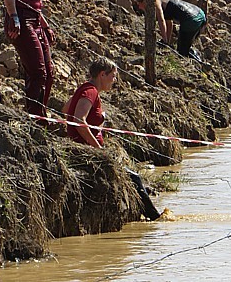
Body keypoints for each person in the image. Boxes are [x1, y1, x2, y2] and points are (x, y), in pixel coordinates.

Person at [62, 57, 161, 221]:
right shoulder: (91, 91)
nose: (114, 81)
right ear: (102, 75)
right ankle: (156, 219)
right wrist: (97, 147)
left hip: (83, 147)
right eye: (113, 76)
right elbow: (79, 120)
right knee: (134, 178)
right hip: (88, 151)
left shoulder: (85, 89)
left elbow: (66, 109)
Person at [2, 0, 67, 121]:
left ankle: (41, 114)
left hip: (35, 19)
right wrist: (14, 17)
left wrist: (45, 26)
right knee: (38, 72)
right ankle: (34, 117)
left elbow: (35, 0)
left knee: (49, 71)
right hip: (22, 19)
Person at [132, 0, 207, 60]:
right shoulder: (164, 2)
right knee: (184, 46)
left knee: (182, 52)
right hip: (199, 14)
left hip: (191, 19)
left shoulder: (156, 2)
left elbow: (161, 20)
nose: (139, 6)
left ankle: (197, 62)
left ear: (145, 0)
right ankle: (194, 58)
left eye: (139, 3)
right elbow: (169, 23)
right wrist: (167, 41)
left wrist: (164, 42)